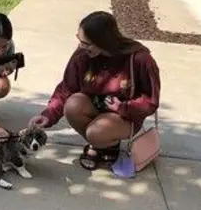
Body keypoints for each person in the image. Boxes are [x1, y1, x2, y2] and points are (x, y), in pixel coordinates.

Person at [29, 11, 160, 170]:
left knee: (95, 132)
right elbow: (67, 88)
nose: (81, 46)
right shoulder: (82, 54)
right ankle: (103, 146)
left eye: (87, 43)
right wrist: (48, 115)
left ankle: (101, 141)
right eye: (80, 39)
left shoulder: (139, 58)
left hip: (124, 116)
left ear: (104, 42)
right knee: (72, 105)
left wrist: (122, 108)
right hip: (94, 108)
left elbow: (150, 101)